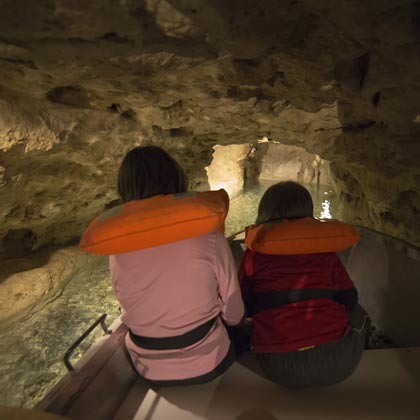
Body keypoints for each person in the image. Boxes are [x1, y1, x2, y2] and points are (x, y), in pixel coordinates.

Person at [110, 146, 244, 385]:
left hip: (147, 368)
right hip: (210, 363)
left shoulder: (116, 246)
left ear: (125, 188)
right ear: (176, 179)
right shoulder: (209, 236)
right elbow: (234, 312)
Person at [238, 181, 369, 388]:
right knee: (359, 312)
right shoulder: (326, 253)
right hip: (341, 363)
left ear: (264, 212)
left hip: (279, 367)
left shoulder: (254, 256)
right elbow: (350, 300)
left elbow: (242, 306)